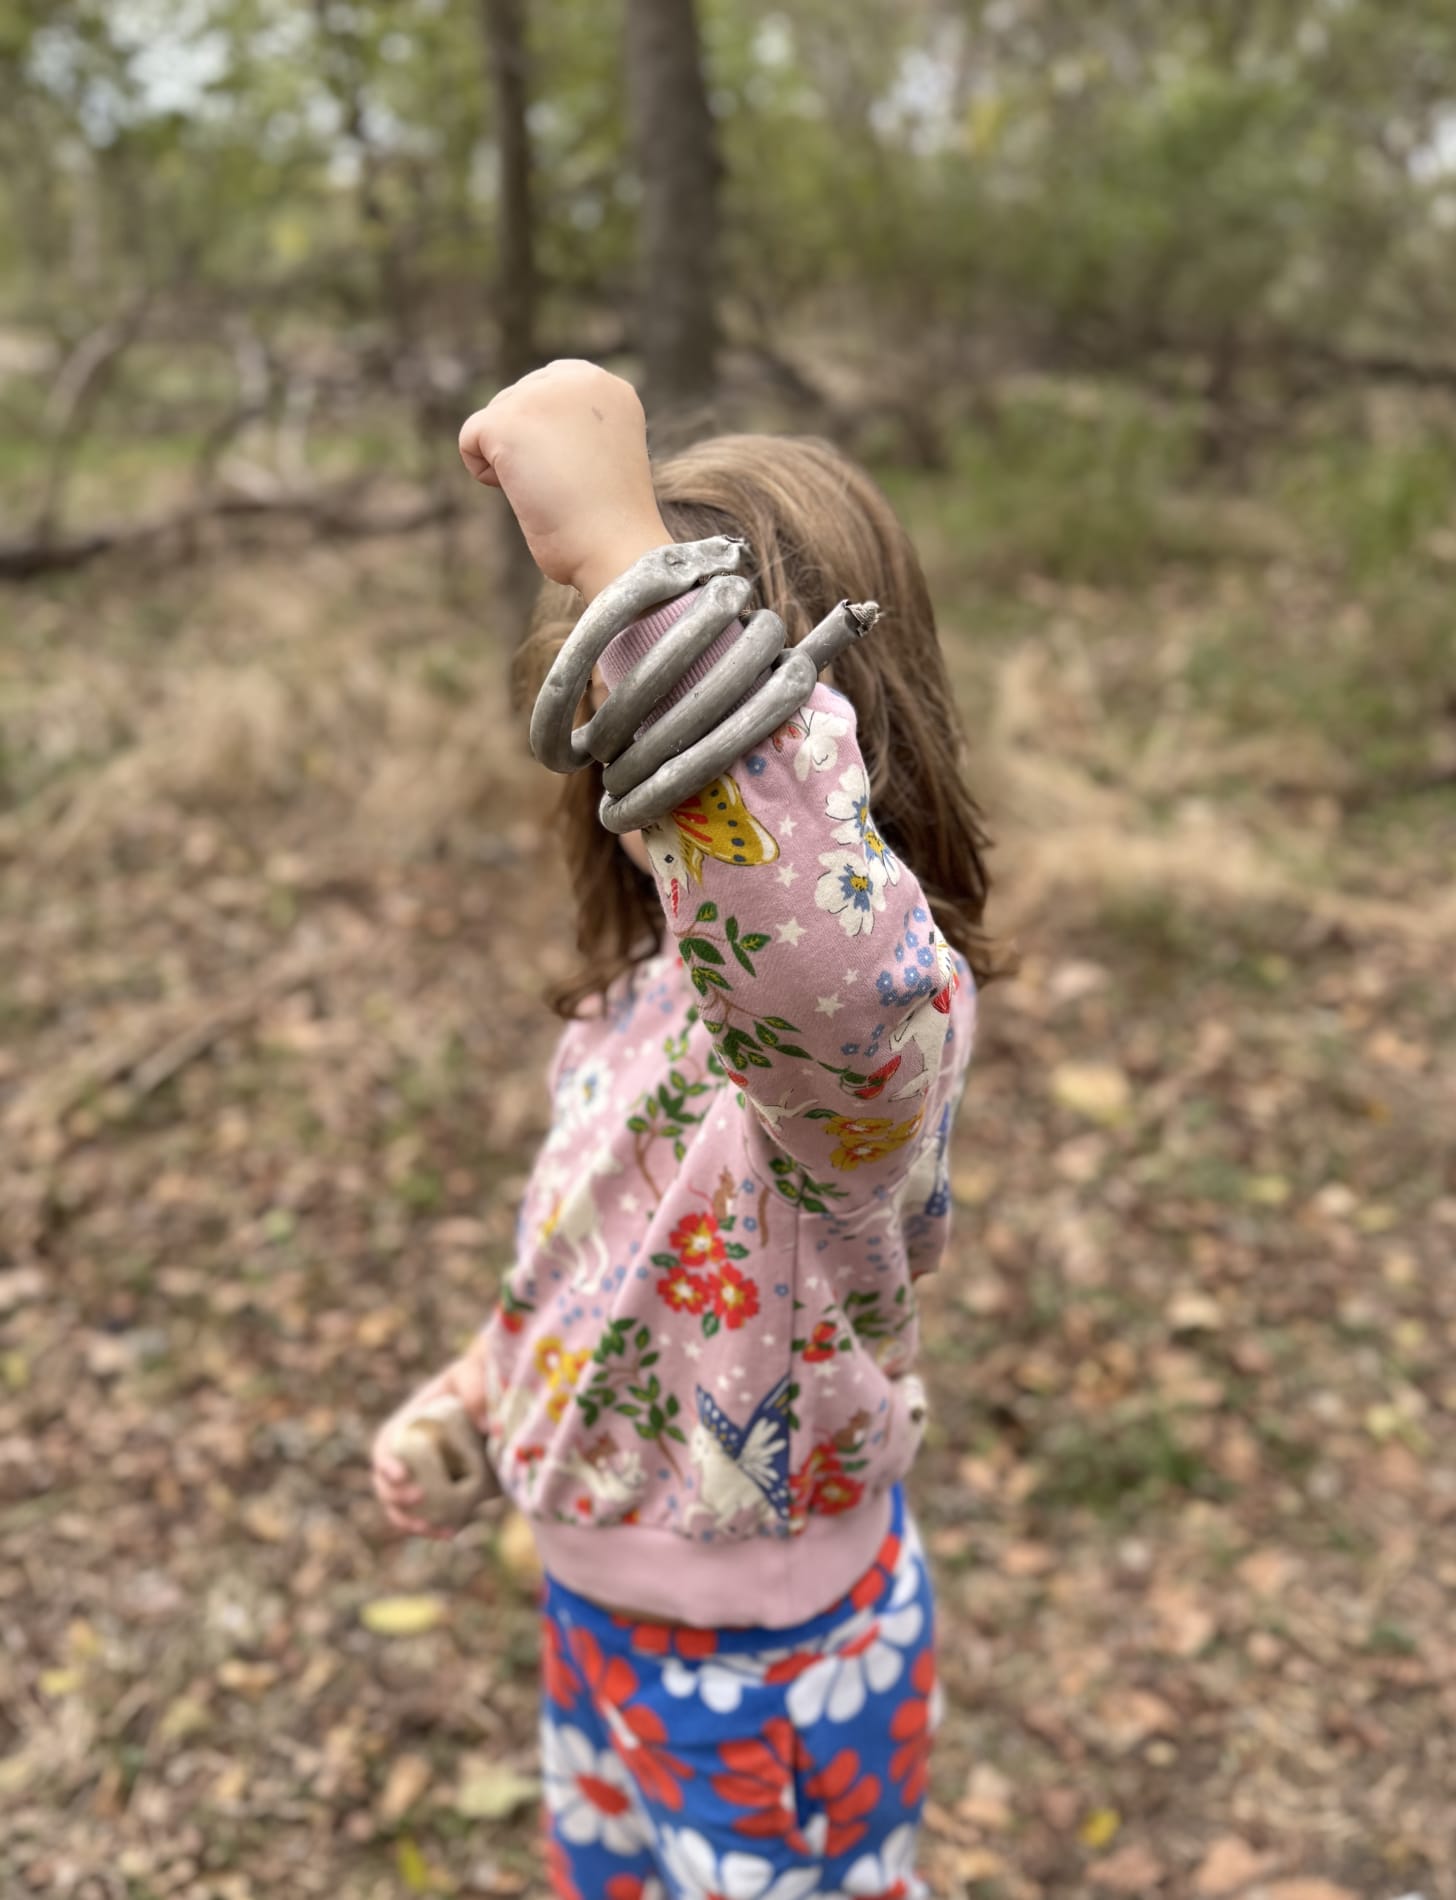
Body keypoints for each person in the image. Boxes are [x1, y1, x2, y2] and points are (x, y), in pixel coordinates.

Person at [372, 360, 999, 1900]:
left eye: (679, 716)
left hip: (773, 1670)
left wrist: (629, 572)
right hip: (598, 1627)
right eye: (620, 723)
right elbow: (597, 1261)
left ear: (827, 738)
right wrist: (482, 1396)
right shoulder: (631, 1009)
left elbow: (813, 955)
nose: (647, 789)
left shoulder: (851, 1042)